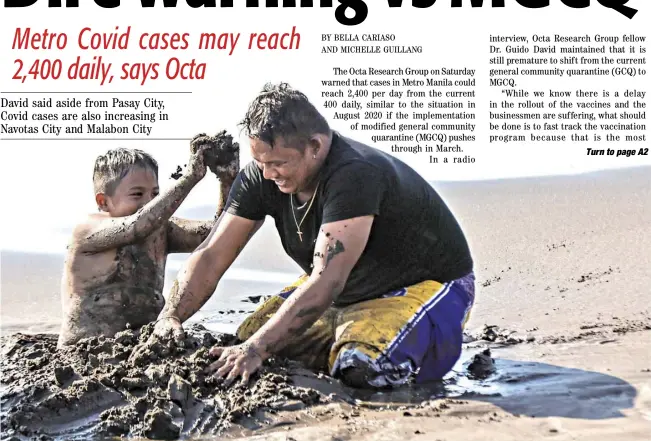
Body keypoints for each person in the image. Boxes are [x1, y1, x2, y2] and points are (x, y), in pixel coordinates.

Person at [144, 83, 475, 388]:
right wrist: (170, 317)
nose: (268, 173)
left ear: (315, 145)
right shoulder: (262, 175)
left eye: (277, 163)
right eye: (260, 162)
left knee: (360, 368)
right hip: (345, 291)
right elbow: (212, 255)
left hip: (425, 287)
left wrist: (256, 350)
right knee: (244, 336)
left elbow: (326, 280)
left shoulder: (354, 175)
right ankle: (345, 335)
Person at [58, 137, 239, 348]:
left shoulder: (161, 230)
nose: (149, 202)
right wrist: (189, 178)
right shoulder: (88, 230)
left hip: (142, 346)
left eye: (155, 194)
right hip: (83, 346)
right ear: (103, 202)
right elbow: (136, 226)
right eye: (137, 194)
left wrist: (228, 181)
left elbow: (217, 233)